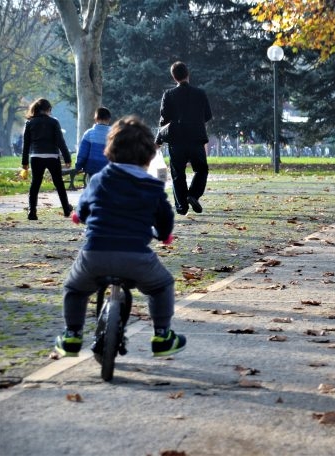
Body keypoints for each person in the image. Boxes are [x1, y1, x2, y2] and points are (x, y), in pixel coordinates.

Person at [55, 115, 186, 358]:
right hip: (136, 257)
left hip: (95, 255)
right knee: (162, 285)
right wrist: (165, 235)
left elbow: (83, 208)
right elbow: (165, 217)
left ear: (110, 150)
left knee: (74, 288)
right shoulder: (151, 186)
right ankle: (162, 335)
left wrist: (79, 217)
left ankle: (72, 335)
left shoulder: (98, 180)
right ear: (148, 155)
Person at [157, 61, 212, 215]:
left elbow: (163, 119)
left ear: (174, 77)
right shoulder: (200, 93)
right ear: (188, 74)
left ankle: (181, 206)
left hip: (176, 141)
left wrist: (158, 140)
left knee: (177, 173)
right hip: (196, 139)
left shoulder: (168, 95)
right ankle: (193, 195)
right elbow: (208, 115)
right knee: (201, 169)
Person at [21, 98, 73, 221]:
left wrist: (24, 162)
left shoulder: (29, 123)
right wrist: (67, 157)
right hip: (52, 157)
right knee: (59, 183)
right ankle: (66, 209)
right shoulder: (54, 122)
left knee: (35, 184)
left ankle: (32, 211)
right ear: (48, 109)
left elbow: (26, 144)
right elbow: (60, 141)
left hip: (36, 157)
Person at [75, 107, 111, 182]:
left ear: (96, 119)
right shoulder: (114, 134)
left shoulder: (89, 133)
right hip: (109, 168)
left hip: (92, 168)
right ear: (109, 119)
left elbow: (83, 153)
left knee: (92, 190)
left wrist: (78, 166)